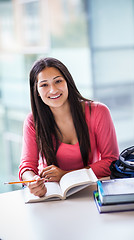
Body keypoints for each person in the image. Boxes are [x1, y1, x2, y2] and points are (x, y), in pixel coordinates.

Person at [19, 57, 119, 197]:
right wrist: (32, 181)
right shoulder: (32, 121)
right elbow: (27, 167)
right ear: (36, 90)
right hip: (51, 193)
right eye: (44, 85)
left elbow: (111, 161)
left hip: (90, 191)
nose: (53, 90)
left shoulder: (99, 112)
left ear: (68, 82)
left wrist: (66, 175)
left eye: (58, 81)